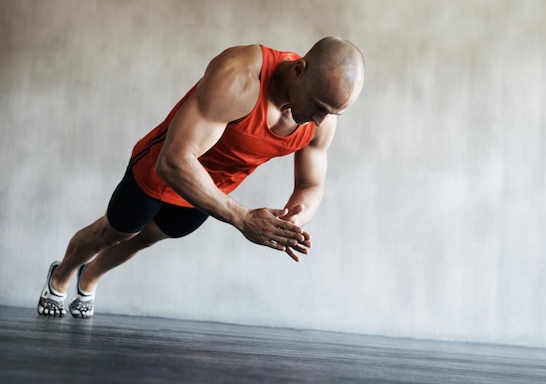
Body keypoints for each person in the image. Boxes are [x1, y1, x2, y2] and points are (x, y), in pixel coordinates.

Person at [37, 36, 365, 318]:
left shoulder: (321, 116)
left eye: (332, 113)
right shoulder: (241, 76)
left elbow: (311, 184)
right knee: (116, 232)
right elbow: (174, 160)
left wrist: (293, 218)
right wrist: (242, 218)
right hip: (164, 167)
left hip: (214, 191)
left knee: (146, 239)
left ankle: (90, 276)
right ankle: (62, 275)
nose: (321, 121)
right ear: (299, 71)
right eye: (319, 106)